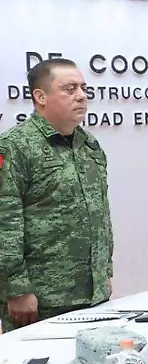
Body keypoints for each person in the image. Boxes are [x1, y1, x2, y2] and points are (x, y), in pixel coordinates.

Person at [0, 58, 115, 332]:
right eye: (70, 88)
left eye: (83, 88)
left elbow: (100, 214)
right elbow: (5, 221)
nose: (81, 96)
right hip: (41, 300)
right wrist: (16, 289)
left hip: (93, 296)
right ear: (40, 97)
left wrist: (105, 272)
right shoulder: (14, 147)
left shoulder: (89, 145)